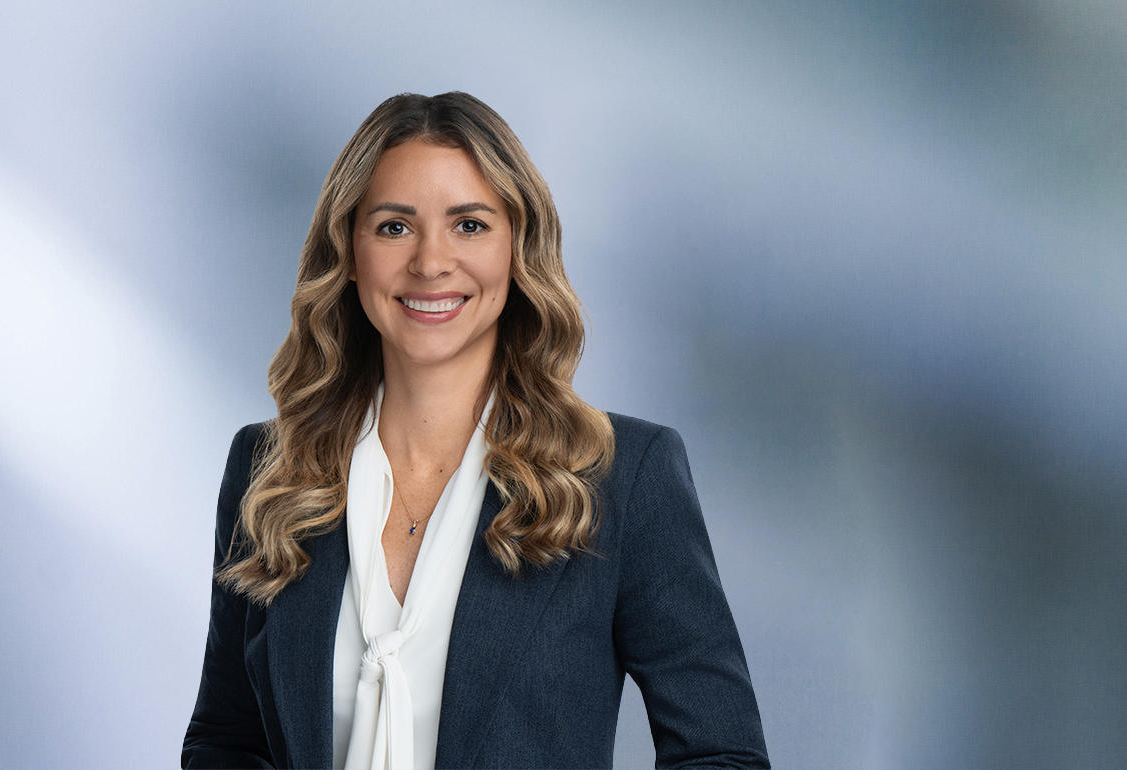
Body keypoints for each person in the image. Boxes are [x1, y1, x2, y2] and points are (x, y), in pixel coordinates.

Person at [182, 92, 767, 769]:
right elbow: (225, 740)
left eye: (469, 225)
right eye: (395, 227)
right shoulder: (268, 470)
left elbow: (722, 755)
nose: (431, 263)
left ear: (519, 248)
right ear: (347, 252)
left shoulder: (622, 476)